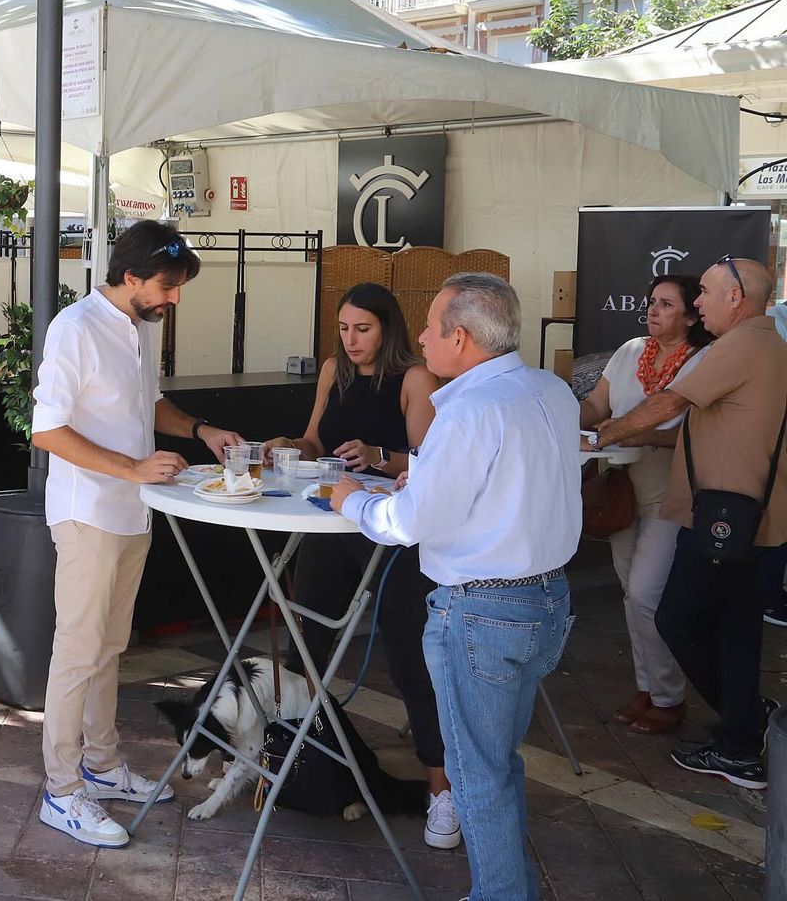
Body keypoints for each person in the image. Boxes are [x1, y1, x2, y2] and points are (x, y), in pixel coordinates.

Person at [331, 273, 577, 901]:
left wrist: (351, 502)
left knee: (476, 774)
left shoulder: (466, 410)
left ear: (460, 337)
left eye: (430, 326)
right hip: (546, 601)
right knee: (496, 763)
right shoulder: (551, 389)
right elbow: (509, 489)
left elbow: (409, 524)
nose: (420, 337)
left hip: (483, 611)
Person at [29, 220, 244, 848]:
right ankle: (61, 790)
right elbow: (47, 430)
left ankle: (100, 764)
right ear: (130, 278)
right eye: (168, 287)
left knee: (108, 647)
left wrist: (200, 430)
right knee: (77, 652)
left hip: (131, 512)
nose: (174, 299)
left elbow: (148, 405)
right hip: (88, 513)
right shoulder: (74, 327)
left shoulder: (136, 329)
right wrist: (132, 468)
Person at [264, 282, 452, 847]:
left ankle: (442, 792)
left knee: (411, 659)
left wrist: (378, 456)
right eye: (344, 328)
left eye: (362, 329)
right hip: (332, 523)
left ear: (387, 329)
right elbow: (316, 440)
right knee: (308, 647)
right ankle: (307, 764)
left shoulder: (415, 378)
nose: (351, 340)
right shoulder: (333, 371)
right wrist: (285, 446)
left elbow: (430, 461)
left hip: (393, 533)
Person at [595, 256, 787, 789]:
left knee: (677, 618)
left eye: (704, 292)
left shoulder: (741, 345)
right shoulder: (766, 343)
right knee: (736, 629)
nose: (699, 303)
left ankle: (742, 723)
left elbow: (671, 402)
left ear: (737, 297)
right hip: (752, 519)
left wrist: (603, 437)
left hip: (726, 519)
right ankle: (742, 738)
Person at [578, 274, 713, 736]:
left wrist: (636, 432)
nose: (654, 310)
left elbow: (695, 433)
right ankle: (649, 687)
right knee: (630, 592)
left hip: (669, 492)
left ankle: (668, 696)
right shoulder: (631, 349)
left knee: (645, 593)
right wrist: (554, 412)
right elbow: (597, 406)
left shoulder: (704, 360)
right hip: (621, 488)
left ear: (693, 315)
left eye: (667, 304)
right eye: (652, 302)